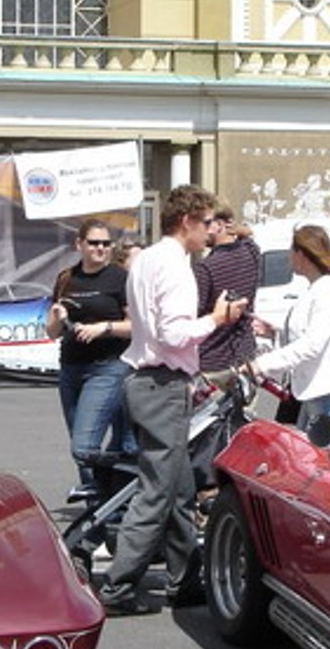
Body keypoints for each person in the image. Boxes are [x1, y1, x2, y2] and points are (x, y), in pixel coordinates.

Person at [96, 187, 245, 616]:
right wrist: (217, 320)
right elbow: (174, 334)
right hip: (161, 384)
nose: (213, 232)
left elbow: (153, 327)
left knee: (177, 484)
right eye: (208, 224)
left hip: (147, 380)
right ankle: (119, 586)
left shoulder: (146, 260)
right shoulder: (176, 267)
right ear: (188, 222)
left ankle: (186, 578)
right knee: (158, 490)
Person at [46, 219, 133, 500]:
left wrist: (103, 327)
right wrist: (59, 318)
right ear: (79, 245)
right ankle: (98, 513)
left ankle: (113, 493)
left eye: (106, 244)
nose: (101, 249)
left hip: (108, 367)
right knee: (82, 447)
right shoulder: (66, 278)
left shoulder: (119, 278)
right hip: (71, 368)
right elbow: (51, 332)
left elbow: (136, 326)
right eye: (94, 243)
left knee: (84, 446)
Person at [246, 224, 330, 433]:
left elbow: (313, 344)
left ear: (302, 254)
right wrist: (276, 332)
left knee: (324, 460)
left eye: (291, 251)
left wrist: (260, 365)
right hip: (318, 391)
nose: (289, 258)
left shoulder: (329, 291)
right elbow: (311, 334)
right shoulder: (319, 288)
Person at [195, 204, 261, 370]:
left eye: (206, 224)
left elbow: (194, 316)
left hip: (212, 359)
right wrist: (235, 227)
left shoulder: (205, 268)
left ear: (220, 225)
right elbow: (248, 235)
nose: (202, 230)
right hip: (245, 355)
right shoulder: (252, 252)